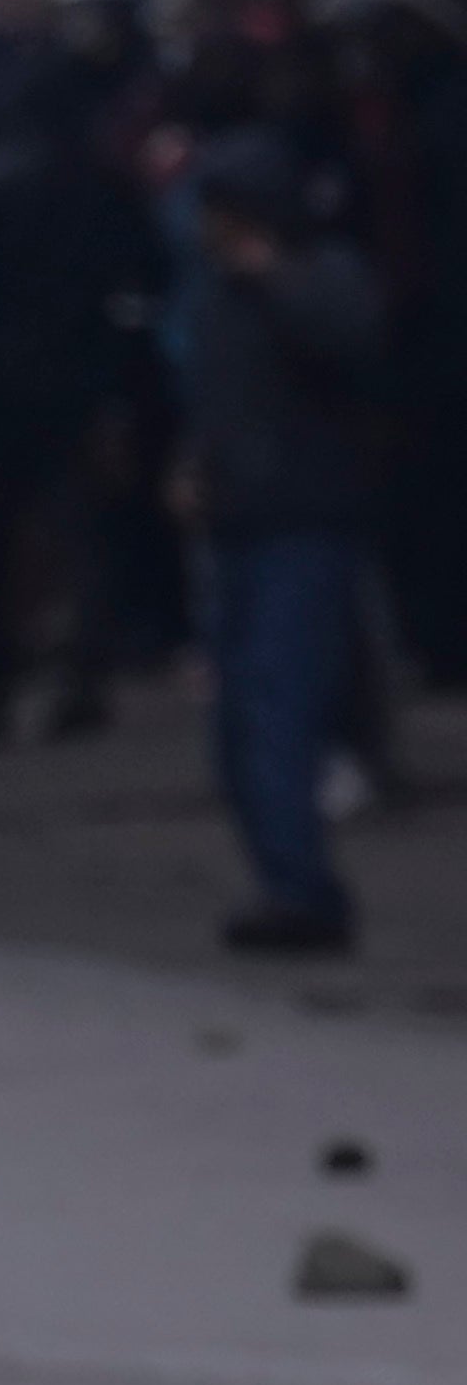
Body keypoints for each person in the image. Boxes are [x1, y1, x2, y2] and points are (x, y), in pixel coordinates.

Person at [177, 131, 396, 953]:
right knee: (238, 722)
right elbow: (213, 401)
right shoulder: (215, 298)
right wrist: (191, 468)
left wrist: (275, 274)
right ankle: (282, 879)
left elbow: (350, 342)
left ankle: (304, 891)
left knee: (280, 707)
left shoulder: (322, 276)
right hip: (236, 524)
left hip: (304, 523)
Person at [0, 39, 170, 745]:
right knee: (84, 539)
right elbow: (150, 276)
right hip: (80, 386)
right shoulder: (106, 184)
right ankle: (80, 683)